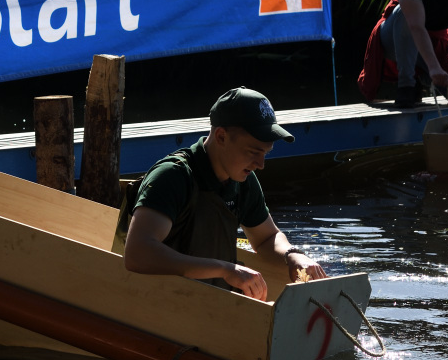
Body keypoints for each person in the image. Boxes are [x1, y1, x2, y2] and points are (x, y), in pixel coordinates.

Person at [122, 88, 326, 300]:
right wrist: (225, 269)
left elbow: (267, 238)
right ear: (221, 136)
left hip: (210, 305)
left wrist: (292, 255)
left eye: (265, 153)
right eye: (253, 152)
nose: (261, 164)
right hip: (157, 302)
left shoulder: (242, 179)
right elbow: (137, 254)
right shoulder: (172, 176)